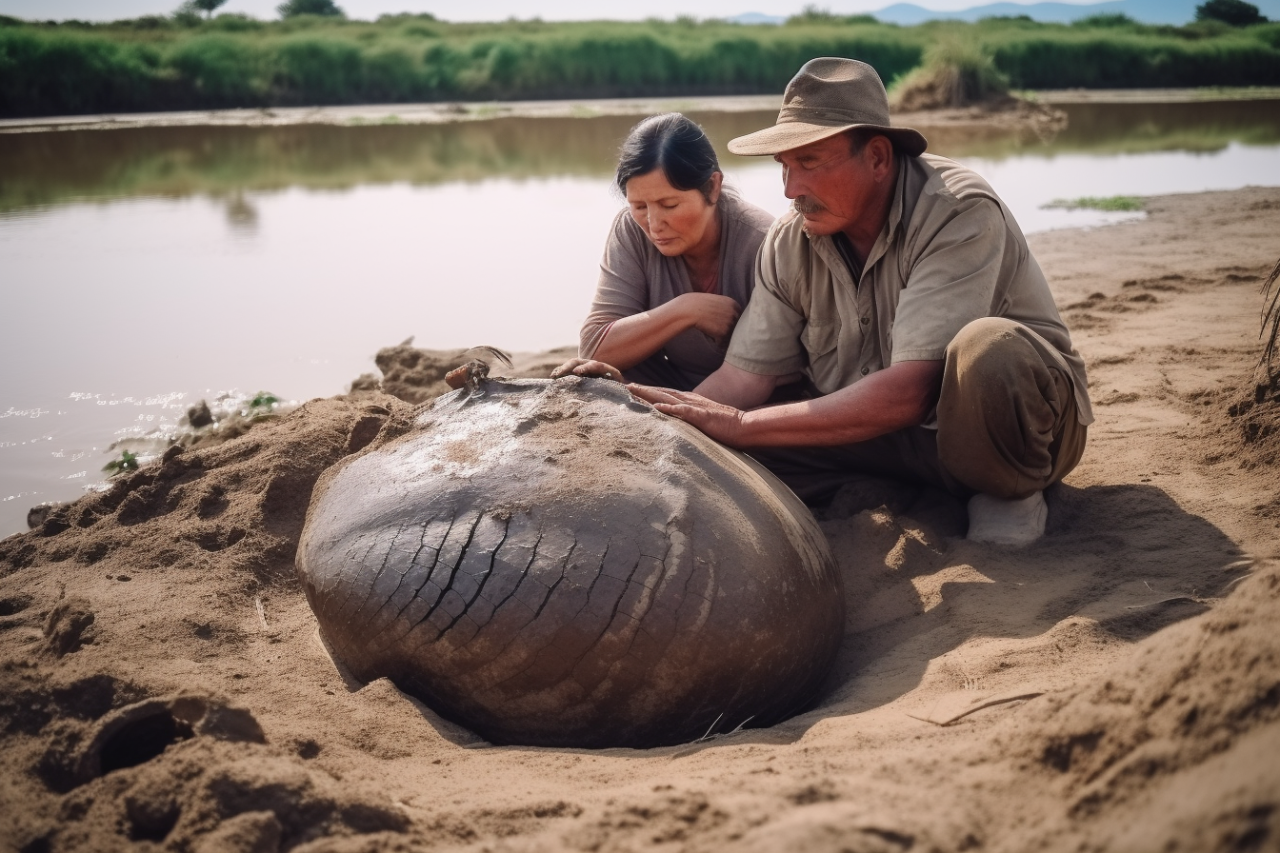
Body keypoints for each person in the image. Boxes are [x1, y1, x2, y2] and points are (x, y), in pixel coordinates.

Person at [628, 58, 1094, 546]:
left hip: (1001, 434)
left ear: (876, 158)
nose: (791, 191)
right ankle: (907, 484)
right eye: (784, 167)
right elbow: (746, 376)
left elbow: (912, 390)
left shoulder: (958, 211)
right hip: (881, 439)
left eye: (809, 163)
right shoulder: (791, 239)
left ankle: (1009, 491)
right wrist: (671, 432)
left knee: (989, 348)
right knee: (733, 439)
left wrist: (742, 425)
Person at [553, 113, 774, 391]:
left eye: (669, 205)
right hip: (675, 385)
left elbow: (764, 373)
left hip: (755, 394)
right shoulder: (632, 230)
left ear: (713, 187)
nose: (654, 225)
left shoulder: (764, 243)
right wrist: (686, 309)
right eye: (640, 206)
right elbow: (595, 348)